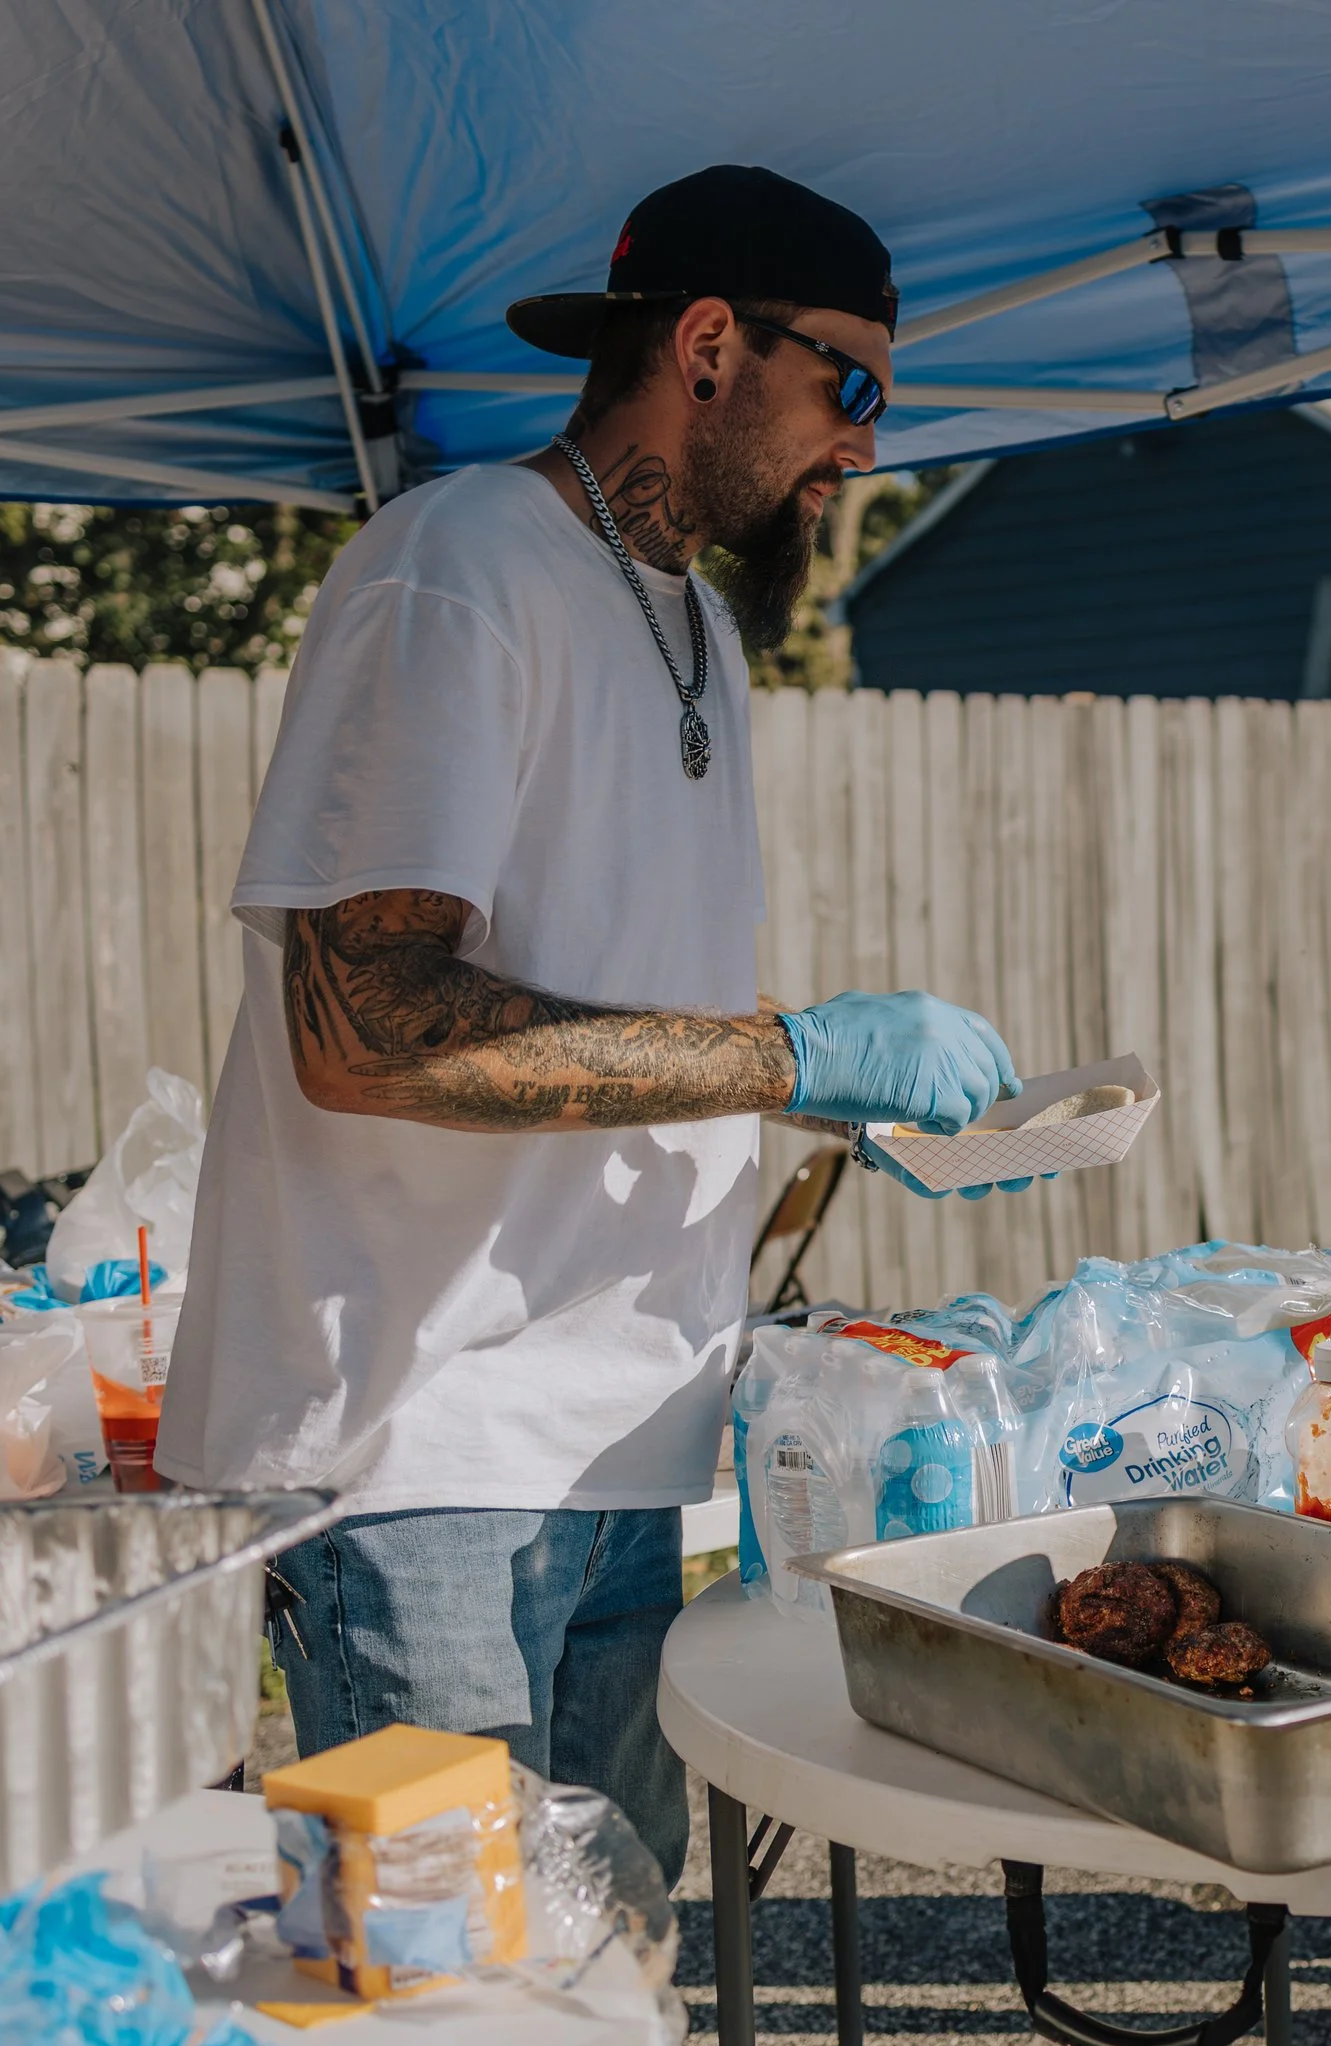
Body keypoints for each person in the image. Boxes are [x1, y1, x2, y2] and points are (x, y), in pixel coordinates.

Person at [157, 166, 1033, 1890]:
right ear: (709, 346)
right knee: (454, 1998)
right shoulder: (458, 564)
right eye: (846, 384)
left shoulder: (695, 618)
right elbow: (372, 1026)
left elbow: (615, 1014)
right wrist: (791, 1057)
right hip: (419, 1453)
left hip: (625, 1447)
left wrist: (832, 1108)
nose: (864, 446)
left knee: (608, 1979)